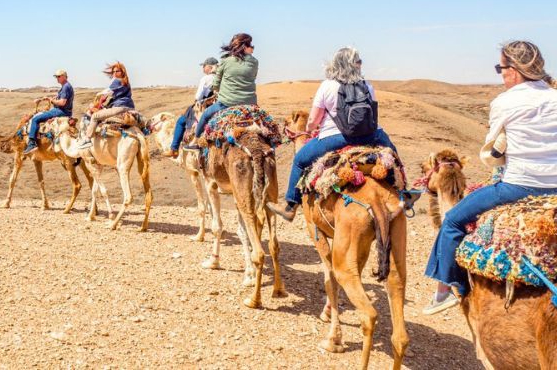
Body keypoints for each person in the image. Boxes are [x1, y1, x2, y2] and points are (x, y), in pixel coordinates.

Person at [423, 40, 557, 315]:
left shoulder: (505, 102)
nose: (500, 74)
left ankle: (448, 289)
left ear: (515, 71)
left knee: (452, 221)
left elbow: (491, 152)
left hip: (518, 185)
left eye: (500, 67)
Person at [267, 47, 397, 222]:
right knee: (392, 154)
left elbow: (313, 120)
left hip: (336, 138)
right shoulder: (367, 86)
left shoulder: (327, 86)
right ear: (354, 64)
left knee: (299, 161)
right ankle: (404, 194)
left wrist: (313, 129)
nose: (361, 64)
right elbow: (372, 115)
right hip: (370, 135)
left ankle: (290, 205)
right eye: (359, 61)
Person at [190, 33, 259, 144]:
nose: (252, 47)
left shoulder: (226, 61)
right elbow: (253, 76)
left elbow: (216, 84)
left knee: (205, 115)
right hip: (250, 105)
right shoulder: (255, 62)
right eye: (250, 45)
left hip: (226, 103)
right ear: (244, 46)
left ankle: (196, 142)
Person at [165, 57, 219, 158]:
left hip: (205, 107)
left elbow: (198, 97)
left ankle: (174, 149)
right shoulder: (221, 77)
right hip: (218, 106)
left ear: (210, 67)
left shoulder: (206, 78)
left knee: (181, 121)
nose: (203, 68)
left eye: (204, 66)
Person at [77, 62, 135, 148]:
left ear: (122, 71)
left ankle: (87, 139)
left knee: (95, 116)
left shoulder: (117, 81)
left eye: (117, 71)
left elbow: (108, 91)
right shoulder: (126, 81)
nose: (115, 73)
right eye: (113, 72)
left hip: (120, 107)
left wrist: (99, 94)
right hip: (130, 107)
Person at [23, 69, 75, 155]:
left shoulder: (66, 87)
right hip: (64, 111)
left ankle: (32, 143)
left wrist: (52, 101)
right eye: (56, 77)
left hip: (61, 111)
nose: (57, 78)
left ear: (64, 76)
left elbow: (62, 102)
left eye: (58, 76)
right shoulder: (65, 86)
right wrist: (46, 98)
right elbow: (58, 98)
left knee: (35, 119)